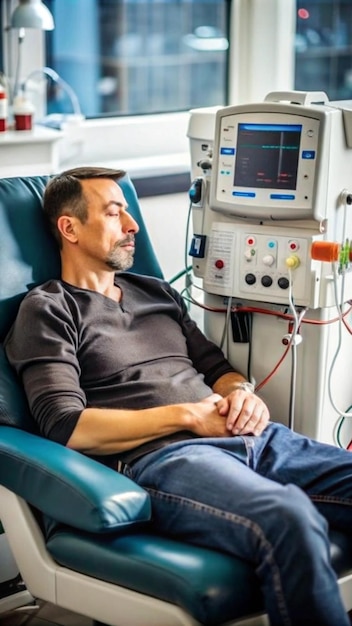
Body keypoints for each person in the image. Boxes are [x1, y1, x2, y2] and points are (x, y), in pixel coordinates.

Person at [4, 166, 352, 626]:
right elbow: (67, 427)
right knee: (287, 517)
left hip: (254, 439)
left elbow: (218, 370)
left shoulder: (157, 292)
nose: (133, 226)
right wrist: (188, 417)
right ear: (69, 228)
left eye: (129, 213)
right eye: (114, 214)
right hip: (167, 461)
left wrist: (243, 394)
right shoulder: (48, 309)